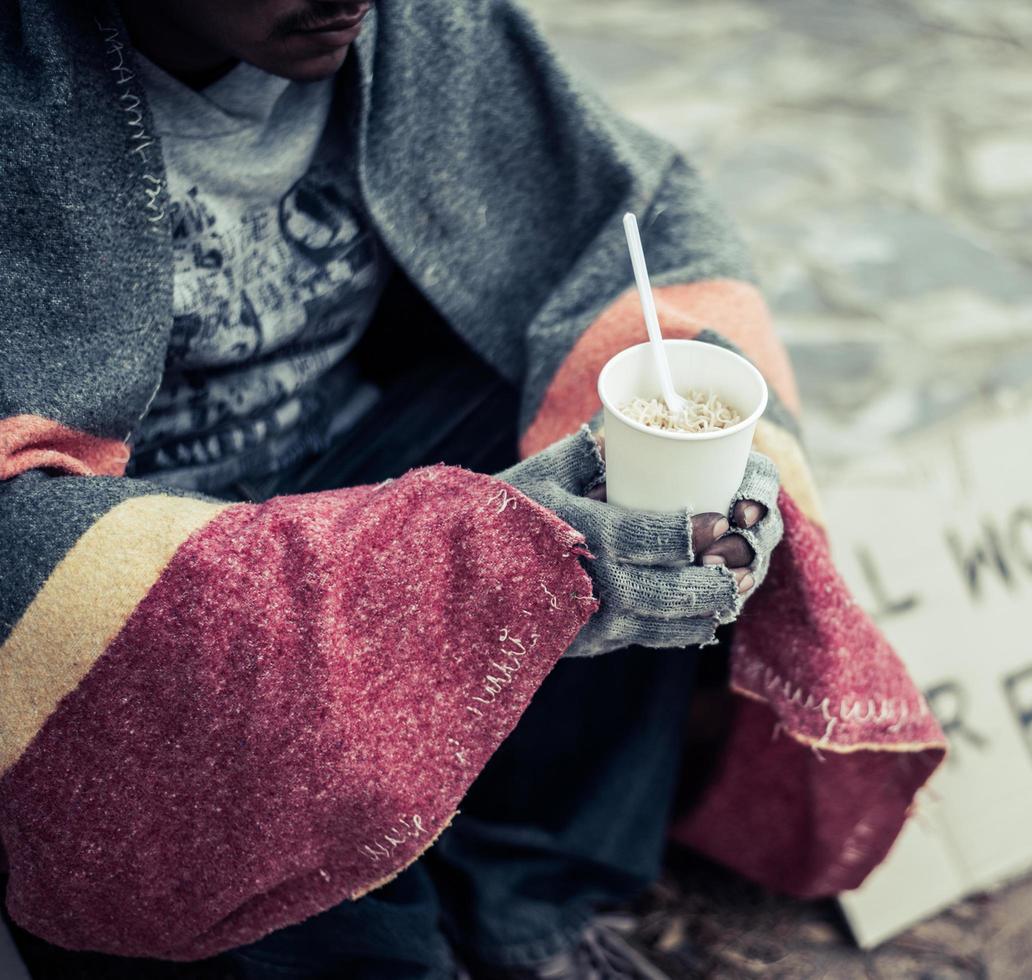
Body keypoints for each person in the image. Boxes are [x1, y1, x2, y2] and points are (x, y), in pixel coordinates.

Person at [0, 2, 948, 978]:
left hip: (350, 452)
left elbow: (634, 218)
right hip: (140, 562)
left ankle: (530, 892)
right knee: (322, 873)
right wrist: (443, 560)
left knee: (621, 445)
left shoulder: (412, 24)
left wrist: (631, 496)